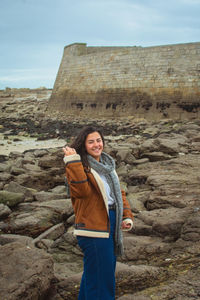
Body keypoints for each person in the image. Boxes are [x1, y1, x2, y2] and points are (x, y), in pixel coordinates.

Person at [63, 126, 133, 300]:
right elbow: (82, 192)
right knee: (102, 281)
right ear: (83, 145)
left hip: (112, 222)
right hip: (93, 227)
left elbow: (119, 193)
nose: (96, 145)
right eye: (91, 142)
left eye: (99, 140)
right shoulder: (80, 166)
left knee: (94, 278)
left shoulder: (107, 165)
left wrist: (126, 216)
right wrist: (72, 160)